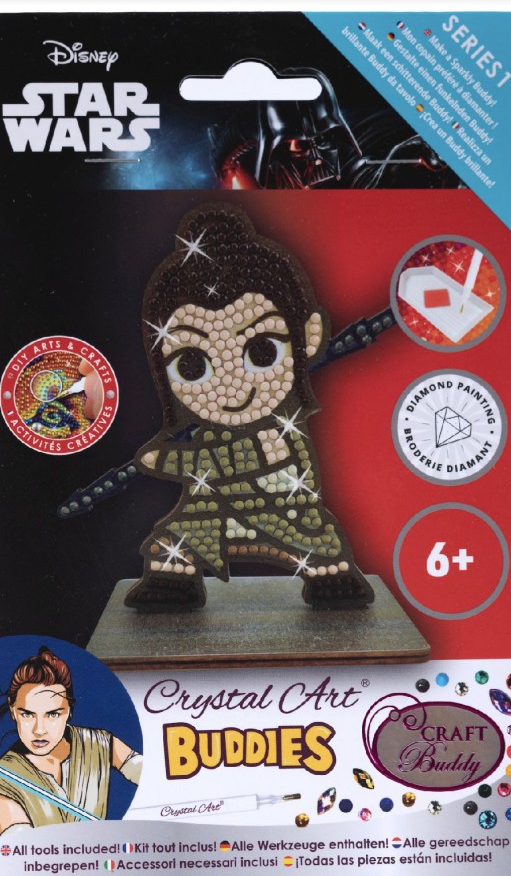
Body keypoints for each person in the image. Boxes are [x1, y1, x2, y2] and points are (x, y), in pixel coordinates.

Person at [124, 204, 374, 612]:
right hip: (209, 515)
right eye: (192, 364)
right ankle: (174, 584)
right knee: (172, 545)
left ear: (309, 336)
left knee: (321, 549)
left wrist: (167, 459)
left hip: (285, 515)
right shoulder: (201, 431)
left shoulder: (278, 433)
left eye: (261, 351)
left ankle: (331, 574)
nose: (229, 384)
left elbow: (222, 461)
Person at [0, 647, 141, 836]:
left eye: (53, 714)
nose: (39, 730)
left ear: (69, 710)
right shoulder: (2, 778)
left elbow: (151, 774)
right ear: (12, 710)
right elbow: (20, 843)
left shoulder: (99, 743)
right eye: (27, 714)